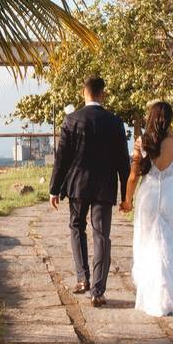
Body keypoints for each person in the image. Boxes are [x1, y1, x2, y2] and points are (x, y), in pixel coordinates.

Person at [48, 77, 130, 307]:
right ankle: (98, 291)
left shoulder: (72, 120)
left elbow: (61, 159)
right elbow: (123, 163)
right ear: (102, 94)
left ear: (84, 93)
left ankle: (83, 278)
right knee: (101, 236)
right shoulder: (115, 122)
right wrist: (126, 196)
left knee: (76, 228)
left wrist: (54, 189)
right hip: (105, 186)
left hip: (77, 185)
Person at [120, 100, 173, 316]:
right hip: (170, 195)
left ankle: (153, 295)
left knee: (148, 243)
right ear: (170, 119)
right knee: (169, 244)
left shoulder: (142, 143)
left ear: (150, 118)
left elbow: (133, 176)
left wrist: (127, 200)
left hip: (148, 196)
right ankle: (170, 295)